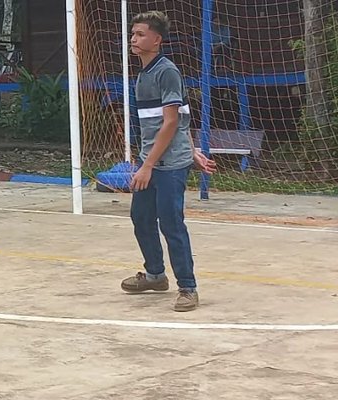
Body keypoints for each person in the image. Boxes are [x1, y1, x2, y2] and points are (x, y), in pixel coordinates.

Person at [121, 11, 217, 312]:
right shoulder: (143, 75)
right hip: (152, 160)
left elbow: (172, 122)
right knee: (141, 218)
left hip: (168, 165)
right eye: (132, 34)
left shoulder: (167, 72)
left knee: (171, 223)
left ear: (157, 40)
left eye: (140, 34)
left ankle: (187, 288)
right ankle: (155, 275)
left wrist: (150, 165)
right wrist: (193, 152)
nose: (133, 39)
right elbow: (183, 119)